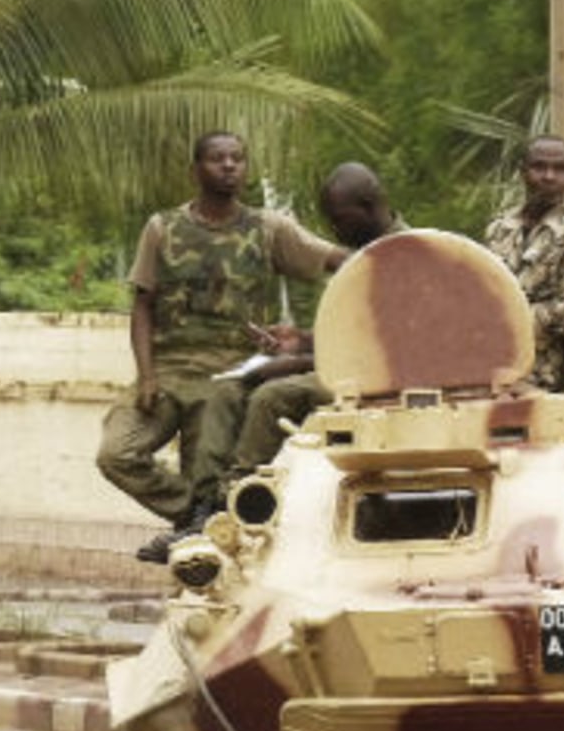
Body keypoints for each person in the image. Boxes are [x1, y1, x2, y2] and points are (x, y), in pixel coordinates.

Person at [98, 131, 348, 562]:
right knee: (116, 453)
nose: (229, 166)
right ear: (196, 169)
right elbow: (142, 305)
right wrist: (148, 374)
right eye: (218, 159)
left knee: (208, 473)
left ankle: (203, 523)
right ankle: (200, 514)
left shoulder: (268, 228)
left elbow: (333, 260)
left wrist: (396, 253)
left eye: (237, 159)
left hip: (230, 372)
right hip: (169, 369)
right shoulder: (163, 228)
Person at [200, 162, 408, 495]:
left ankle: (239, 495)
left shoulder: (405, 256)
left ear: (368, 207)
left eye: (340, 219)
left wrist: (296, 363)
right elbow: (353, 333)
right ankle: (204, 500)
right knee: (228, 391)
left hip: (382, 380)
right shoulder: (363, 257)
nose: (335, 230)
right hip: (346, 369)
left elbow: (387, 352)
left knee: (271, 397)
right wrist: (300, 341)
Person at [482, 135, 564, 391]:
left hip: (553, 381)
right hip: (493, 372)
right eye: (539, 167)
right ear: (523, 172)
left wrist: (510, 325)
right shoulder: (500, 228)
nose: (549, 176)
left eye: (559, 169)